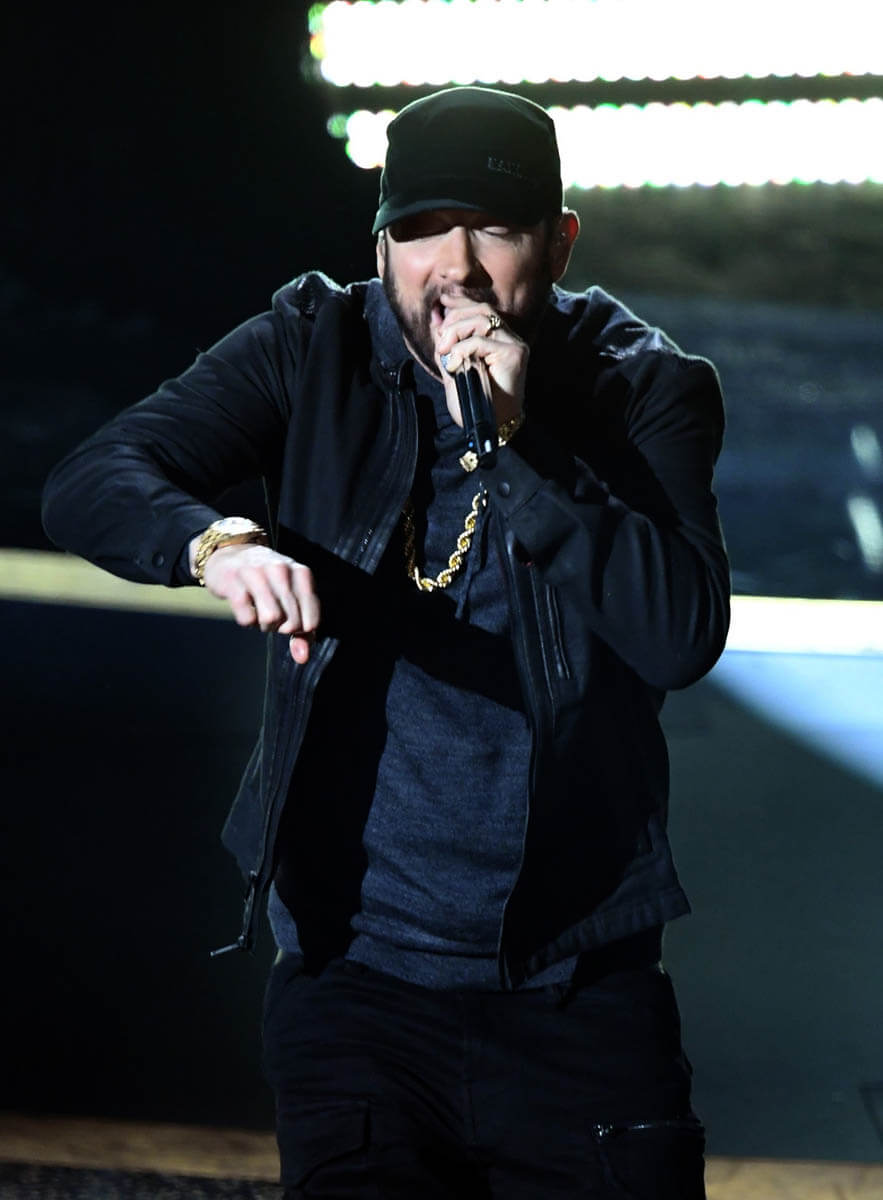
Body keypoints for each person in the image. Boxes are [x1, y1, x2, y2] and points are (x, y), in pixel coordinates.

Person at [43, 86, 729, 1198]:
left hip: (577, 990)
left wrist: (516, 447)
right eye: (420, 230)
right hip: (356, 987)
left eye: (492, 231)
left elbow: (679, 634)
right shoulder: (312, 345)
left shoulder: (642, 384)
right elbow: (92, 480)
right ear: (380, 247)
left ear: (558, 243)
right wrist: (218, 544)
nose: (453, 270)